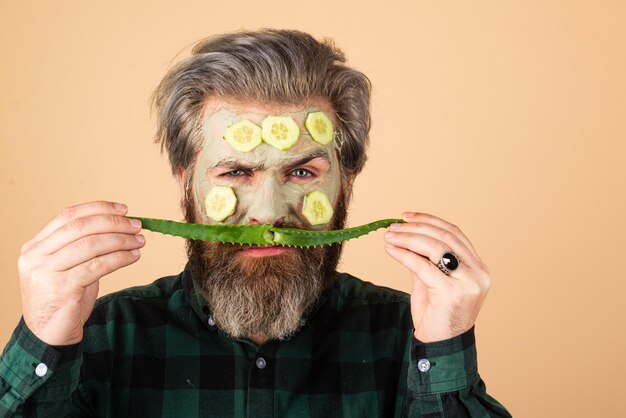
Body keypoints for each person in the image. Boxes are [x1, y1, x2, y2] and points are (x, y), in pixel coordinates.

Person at [0, 29, 511, 417]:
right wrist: (44, 335)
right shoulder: (96, 340)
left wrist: (445, 348)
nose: (268, 212)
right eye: (237, 171)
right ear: (185, 180)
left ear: (347, 183)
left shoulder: (412, 340)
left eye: (304, 171)